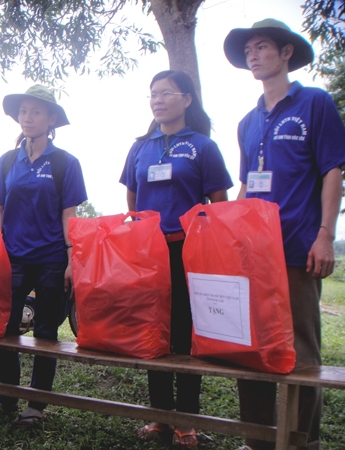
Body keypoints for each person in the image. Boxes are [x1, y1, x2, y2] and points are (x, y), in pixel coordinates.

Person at [224, 19, 345, 450]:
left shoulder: (314, 104)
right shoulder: (246, 122)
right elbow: (245, 185)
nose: (253, 56)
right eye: (249, 51)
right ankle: (256, 439)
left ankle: (301, 442)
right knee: (247, 345)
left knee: (301, 352)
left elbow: (333, 170)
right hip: (252, 254)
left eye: (261, 47)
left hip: (297, 247)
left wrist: (324, 234)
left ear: (286, 52)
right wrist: (230, 238)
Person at [119, 70, 233, 448]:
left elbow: (219, 203)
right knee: (153, 331)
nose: (157, 99)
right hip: (147, 251)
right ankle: (159, 417)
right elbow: (132, 200)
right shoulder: (140, 147)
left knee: (184, 333)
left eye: (166, 93)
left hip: (187, 249)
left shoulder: (202, 146)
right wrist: (140, 233)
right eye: (153, 94)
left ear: (187, 99)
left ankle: (185, 420)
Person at [0, 85, 87, 427]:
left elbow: (69, 214)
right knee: (3, 327)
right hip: (12, 258)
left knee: (45, 332)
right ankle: (7, 399)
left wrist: (72, 258)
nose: (28, 117)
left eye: (36, 112)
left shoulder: (65, 163)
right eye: (23, 111)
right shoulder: (7, 160)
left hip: (52, 258)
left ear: (51, 119)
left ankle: (36, 406)